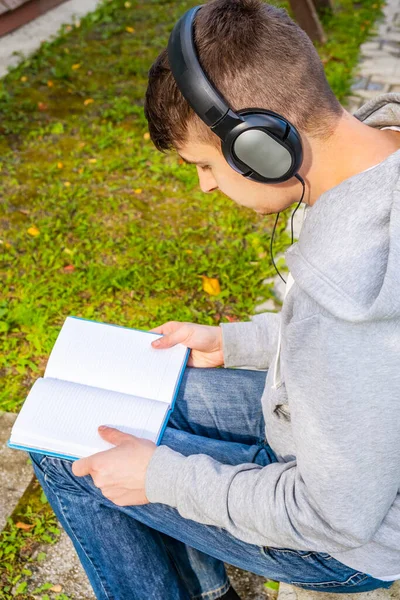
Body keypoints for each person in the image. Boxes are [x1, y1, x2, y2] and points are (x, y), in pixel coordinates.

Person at [29, 1, 400, 598]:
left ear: (262, 147)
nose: (203, 184)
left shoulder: (353, 302)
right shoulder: (378, 165)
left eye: (204, 164)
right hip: (317, 434)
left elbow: (333, 517)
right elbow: (367, 365)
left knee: (61, 447)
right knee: (122, 396)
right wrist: (236, 342)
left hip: (343, 544)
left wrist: (163, 477)